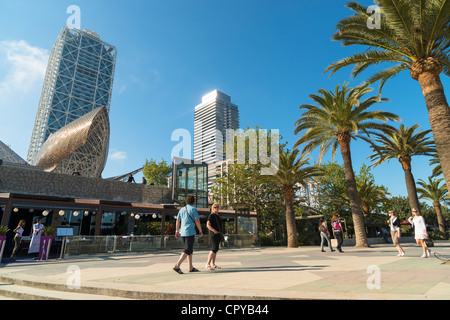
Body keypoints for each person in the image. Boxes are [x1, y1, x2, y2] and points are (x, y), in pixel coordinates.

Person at [173, 196, 203, 274]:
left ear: (186, 201)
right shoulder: (193, 209)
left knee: (190, 250)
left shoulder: (181, 210)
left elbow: (177, 220)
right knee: (187, 250)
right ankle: (177, 265)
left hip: (182, 232)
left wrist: (176, 231)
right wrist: (200, 231)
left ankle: (190, 267)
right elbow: (197, 220)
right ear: (193, 202)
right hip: (190, 232)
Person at [205, 203, 224, 269]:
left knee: (216, 249)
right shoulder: (211, 215)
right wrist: (214, 230)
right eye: (215, 207)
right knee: (214, 248)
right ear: (213, 208)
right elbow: (208, 225)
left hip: (218, 234)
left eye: (218, 207)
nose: (217, 208)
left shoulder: (218, 216)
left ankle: (213, 264)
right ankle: (207, 264)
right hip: (213, 234)